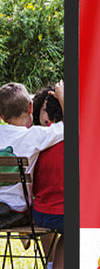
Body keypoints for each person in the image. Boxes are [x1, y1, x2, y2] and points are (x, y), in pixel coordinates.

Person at [0, 81, 64, 227]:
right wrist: (62, 98)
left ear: (2, 117)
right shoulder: (34, 135)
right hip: (19, 210)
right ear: (31, 107)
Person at [31, 83, 65, 269]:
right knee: (85, 224)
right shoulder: (66, 136)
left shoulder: (33, 139)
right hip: (59, 213)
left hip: (37, 213)